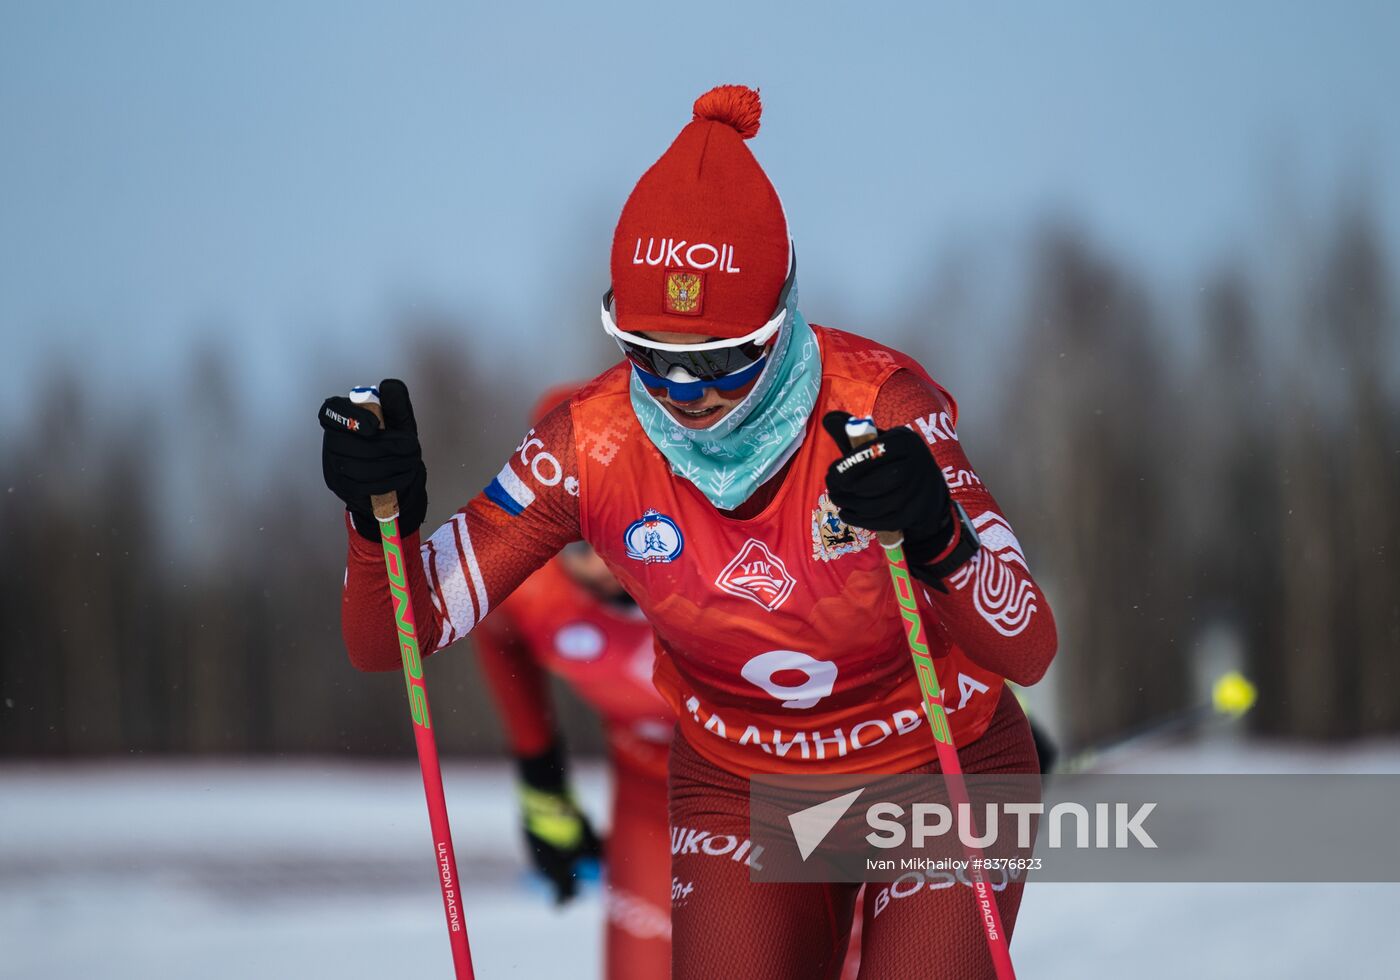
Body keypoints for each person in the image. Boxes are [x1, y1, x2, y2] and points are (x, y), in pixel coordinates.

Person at [321, 85, 1057, 979]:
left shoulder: (878, 406)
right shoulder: (591, 444)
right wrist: (376, 522)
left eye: (718, 360)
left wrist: (937, 531)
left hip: (939, 765)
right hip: (741, 783)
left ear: (781, 320)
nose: (685, 395)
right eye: (649, 357)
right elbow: (392, 636)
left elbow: (1028, 646)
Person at [474, 384, 674, 980]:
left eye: (618, 524)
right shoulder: (531, 593)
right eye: (575, 536)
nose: (603, 558)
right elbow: (499, 635)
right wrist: (543, 781)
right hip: (651, 787)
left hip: (787, 781)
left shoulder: (717, 572)